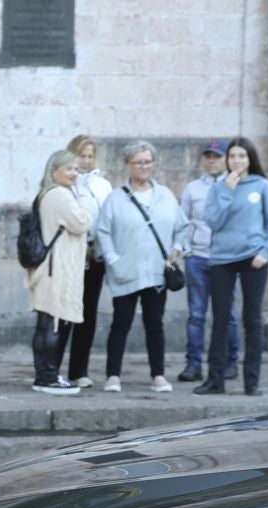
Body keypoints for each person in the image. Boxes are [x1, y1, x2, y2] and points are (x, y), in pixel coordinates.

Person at [195, 136, 268, 397]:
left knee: (252, 319)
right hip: (222, 259)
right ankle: (215, 381)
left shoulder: (262, 186)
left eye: (241, 156)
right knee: (221, 319)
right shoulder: (219, 187)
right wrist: (227, 190)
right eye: (232, 156)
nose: (236, 161)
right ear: (227, 160)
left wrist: (267, 251)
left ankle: (251, 382)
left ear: (250, 159)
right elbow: (213, 221)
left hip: (253, 258)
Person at [93, 141, 185, 393]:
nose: (144, 166)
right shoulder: (115, 198)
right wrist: (113, 259)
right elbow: (102, 231)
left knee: (155, 323)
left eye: (147, 161)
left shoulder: (165, 195)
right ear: (127, 165)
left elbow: (182, 226)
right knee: (121, 322)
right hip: (126, 271)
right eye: (138, 162)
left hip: (156, 271)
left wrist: (177, 249)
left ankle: (158, 375)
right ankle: (113, 375)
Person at [26, 149, 91, 395]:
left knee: (45, 324)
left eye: (76, 169)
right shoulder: (62, 195)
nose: (75, 173)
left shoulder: (45, 194)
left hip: (47, 266)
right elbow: (82, 222)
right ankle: (49, 376)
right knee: (52, 323)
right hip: (57, 268)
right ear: (55, 171)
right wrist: (83, 196)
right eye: (69, 169)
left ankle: (43, 375)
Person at [179, 141, 239, 382]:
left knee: (228, 314)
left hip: (226, 259)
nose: (212, 160)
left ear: (225, 159)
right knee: (196, 313)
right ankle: (193, 363)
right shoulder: (193, 188)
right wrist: (185, 250)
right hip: (198, 257)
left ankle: (229, 361)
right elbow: (182, 222)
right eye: (208, 156)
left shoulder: (235, 186)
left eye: (217, 156)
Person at [64, 134, 113, 388]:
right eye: (81, 155)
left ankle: (79, 369)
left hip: (94, 253)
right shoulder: (64, 182)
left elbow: (108, 217)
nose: (85, 161)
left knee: (87, 312)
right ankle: (53, 366)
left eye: (89, 156)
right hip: (69, 252)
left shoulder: (102, 186)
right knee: (63, 312)